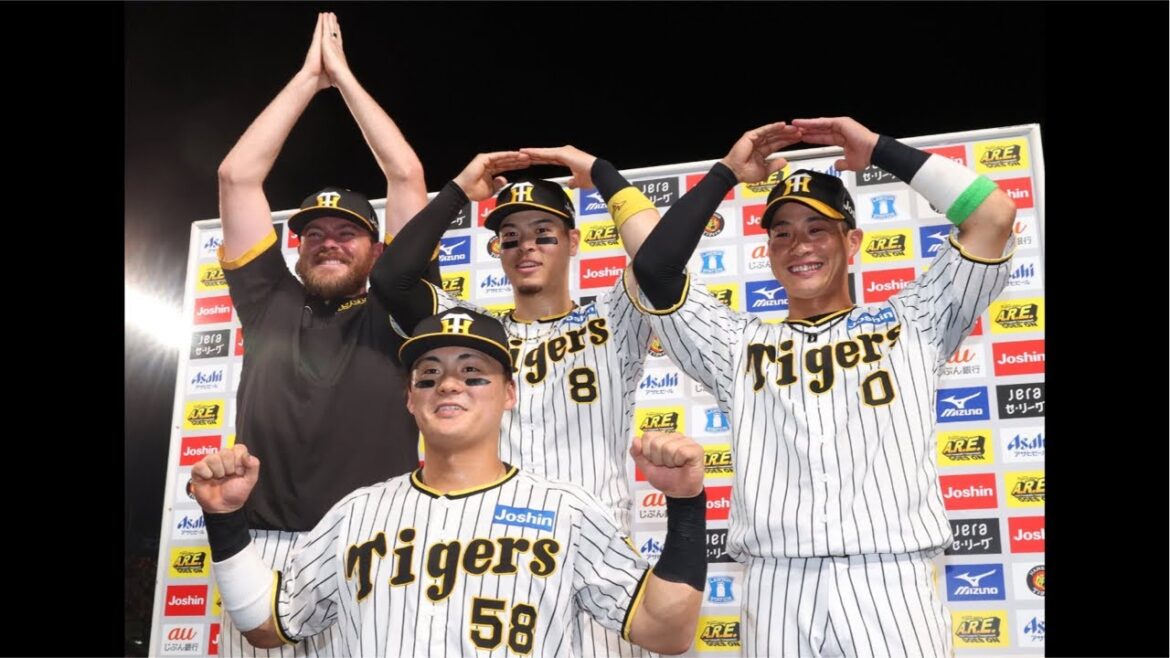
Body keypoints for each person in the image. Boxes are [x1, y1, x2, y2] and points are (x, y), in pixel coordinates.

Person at [630, 117, 1017, 656]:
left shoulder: (914, 323)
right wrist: (725, 174)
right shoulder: (735, 344)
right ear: (767, 250)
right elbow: (654, 266)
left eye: (818, 228)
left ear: (852, 240)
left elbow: (993, 214)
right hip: (776, 583)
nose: (799, 245)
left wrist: (880, 149)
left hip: (891, 582)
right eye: (782, 232)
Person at [190, 308, 709, 656]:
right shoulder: (355, 513)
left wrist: (686, 504)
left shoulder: (567, 510)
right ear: (410, 400)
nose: (449, 384)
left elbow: (666, 630)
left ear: (509, 393)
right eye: (429, 375)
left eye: (473, 372)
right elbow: (267, 625)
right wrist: (224, 521)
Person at [373, 147, 663, 655]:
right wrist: (459, 190)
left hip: (596, 558)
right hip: (495, 557)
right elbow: (392, 278)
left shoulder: (614, 318)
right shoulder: (480, 336)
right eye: (510, 239)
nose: (525, 248)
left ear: (573, 241)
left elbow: (660, 255)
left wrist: (599, 171)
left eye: (543, 235)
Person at [214, 13, 436, 656]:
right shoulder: (266, 299)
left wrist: (344, 78)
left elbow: (405, 179)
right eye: (315, 233)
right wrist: (308, 80)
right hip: (262, 547)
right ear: (297, 246)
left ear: (378, 249)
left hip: (375, 543)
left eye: (348, 233)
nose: (330, 242)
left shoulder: (402, 308)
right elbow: (237, 178)